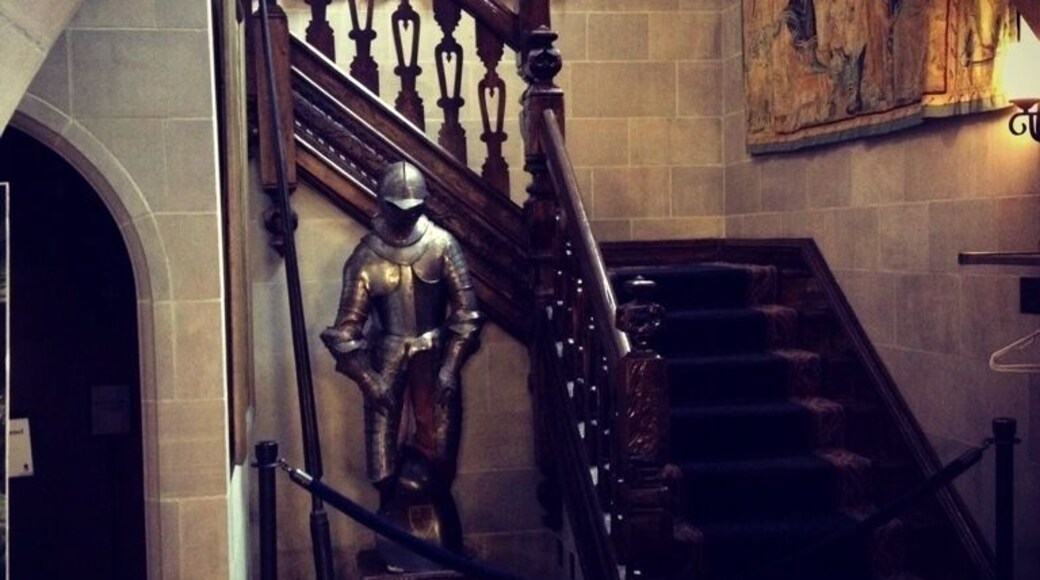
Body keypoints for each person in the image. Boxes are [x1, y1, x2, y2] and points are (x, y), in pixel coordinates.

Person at [320, 160, 482, 508]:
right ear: (382, 204)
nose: (406, 216)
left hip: (435, 357)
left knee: (440, 458)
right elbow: (344, 332)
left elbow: (467, 314)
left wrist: (450, 367)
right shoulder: (365, 257)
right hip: (386, 361)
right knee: (382, 466)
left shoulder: (442, 245)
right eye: (398, 208)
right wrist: (369, 380)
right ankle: (394, 531)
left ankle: (437, 530)